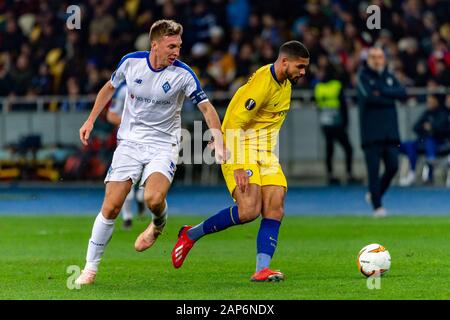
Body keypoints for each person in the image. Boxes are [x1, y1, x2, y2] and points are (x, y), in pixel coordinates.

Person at [75, 19, 225, 285]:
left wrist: (218, 137)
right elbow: (108, 89)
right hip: (130, 142)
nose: (176, 51)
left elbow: (206, 108)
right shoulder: (131, 63)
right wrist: (90, 120)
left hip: (163, 145)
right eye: (171, 46)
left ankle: (157, 224)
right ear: (154, 45)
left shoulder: (183, 74)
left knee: (153, 199)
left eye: (179, 46)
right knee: (111, 207)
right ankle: (90, 269)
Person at [171, 41, 310, 282]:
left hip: (265, 152)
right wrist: (235, 165)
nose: (303, 72)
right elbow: (234, 123)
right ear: (284, 61)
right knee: (248, 211)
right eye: (300, 66)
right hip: (240, 147)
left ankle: (261, 269)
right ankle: (190, 234)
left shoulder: (285, 82)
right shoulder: (261, 85)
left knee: (275, 205)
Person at [356, 47, 407, 217]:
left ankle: (374, 194)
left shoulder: (388, 76)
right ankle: (377, 207)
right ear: (368, 59)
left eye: (380, 57)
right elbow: (369, 97)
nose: (377, 60)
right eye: (373, 57)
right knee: (373, 170)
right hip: (371, 133)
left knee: (393, 167)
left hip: (390, 132)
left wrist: (383, 92)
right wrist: (389, 96)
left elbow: (402, 93)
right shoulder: (363, 77)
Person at [106, 82, 146, 229]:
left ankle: (142, 197)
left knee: (146, 175)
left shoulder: (154, 83)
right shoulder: (124, 89)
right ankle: (127, 217)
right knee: (124, 178)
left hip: (150, 139)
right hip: (126, 140)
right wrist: (129, 123)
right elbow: (110, 115)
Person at [314, 63, 357, 185]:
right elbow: (343, 106)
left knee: (329, 149)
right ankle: (349, 174)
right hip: (337, 123)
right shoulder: (337, 85)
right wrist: (346, 122)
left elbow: (318, 106)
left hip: (325, 123)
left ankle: (330, 174)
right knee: (348, 148)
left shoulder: (319, 87)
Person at [400, 94, 449, 186]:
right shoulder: (426, 113)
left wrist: (432, 127)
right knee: (407, 145)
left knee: (430, 142)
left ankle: (429, 172)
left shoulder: (442, 113)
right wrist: (424, 128)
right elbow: (415, 127)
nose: (428, 103)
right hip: (423, 140)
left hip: (437, 141)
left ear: (436, 101)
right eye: (428, 101)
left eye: (431, 101)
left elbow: (443, 129)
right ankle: (412, 172)